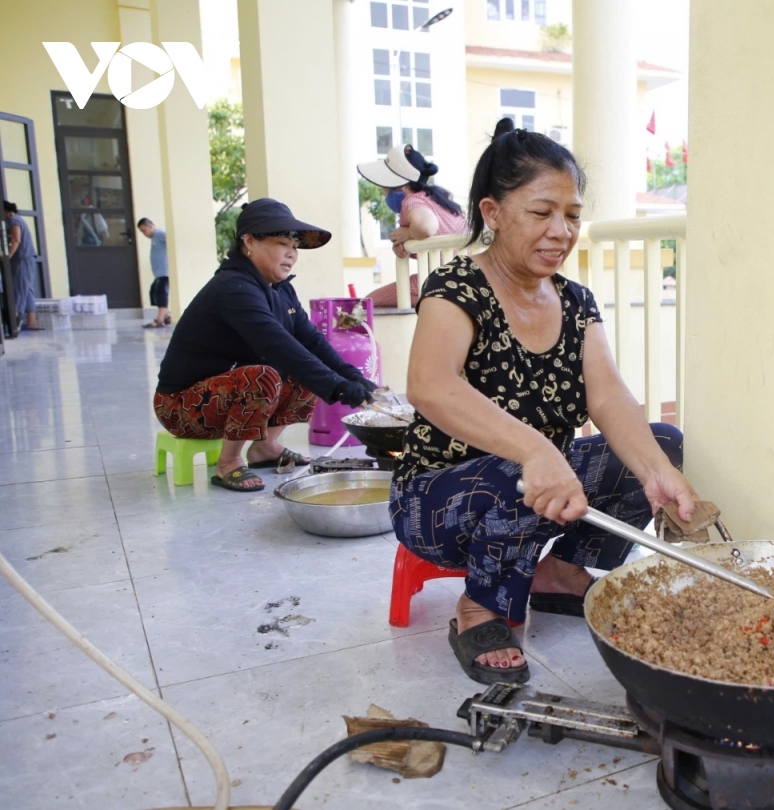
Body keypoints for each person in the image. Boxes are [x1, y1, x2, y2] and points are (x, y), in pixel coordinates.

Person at [390, 119, 699, 685]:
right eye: (541, 212)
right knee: (514, 472)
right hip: (439, 500)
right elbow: (429, 385)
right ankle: (479, 607)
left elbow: (608, 396)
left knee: (660, 445)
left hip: (533, 486)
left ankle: (555, 571)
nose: (561, 230)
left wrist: (655, 471)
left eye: (572, 214)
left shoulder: (576, 302)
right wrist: (534, 450)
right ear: (493, 212)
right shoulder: (456, 288)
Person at [154, 199, 378, 492]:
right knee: (262, 375)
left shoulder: (280, 289)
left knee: (303, 370)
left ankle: (265, 447)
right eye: (282, 243)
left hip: (221, 397)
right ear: (249, 241)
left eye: (295, 246)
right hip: (180, 406)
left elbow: (310, 341)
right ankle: (228, 464)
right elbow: (277, 344)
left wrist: (352, 376)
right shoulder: (233, 287)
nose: (292, 254)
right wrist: (337, 387)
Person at [357, 144, 469, 307]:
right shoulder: (437, 200)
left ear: (400, 186)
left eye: (385, 187)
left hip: (443, 283)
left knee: (365, 304)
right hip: (467, 279)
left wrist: (408, 233)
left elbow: (427, 227)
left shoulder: (413, 200)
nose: (383, 192)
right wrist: (407, 245)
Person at [3, 201, 41, 331]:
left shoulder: (13, 220)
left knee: (19, 288)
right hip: (28, 258)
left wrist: (8, 257)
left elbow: (16, 239)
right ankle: (31, 322)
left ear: (6, 211)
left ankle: (14, 322)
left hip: (22, 259)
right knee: (27, 288)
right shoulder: (17, 219)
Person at [137, 217, 172, 328]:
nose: (144, 234)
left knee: (161, 294)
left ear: (151, 226)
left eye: (144, 231)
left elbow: (172, 240)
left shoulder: (160, 234)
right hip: (158, 273)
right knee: (154, 293)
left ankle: (159, 320)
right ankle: (166, 316)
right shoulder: (155, 238)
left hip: (164, 272)